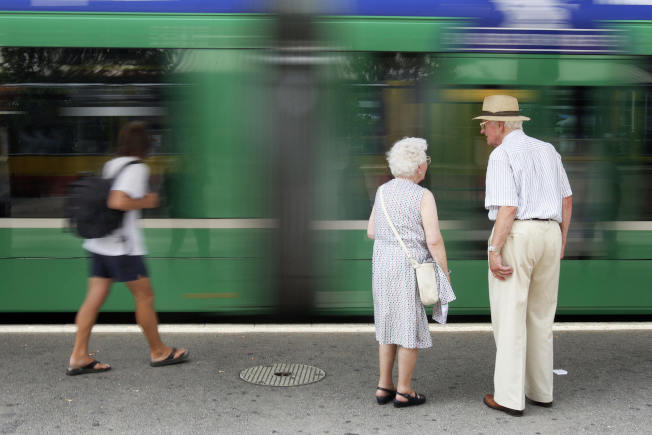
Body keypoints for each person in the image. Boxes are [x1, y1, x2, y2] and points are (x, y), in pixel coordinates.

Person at [475, 95, 572, 416]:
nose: (483, 131)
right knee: (542, 318)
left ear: (500, 126)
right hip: (550, 234)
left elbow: (508, 207)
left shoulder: (502, 155)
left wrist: (494, 249)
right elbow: (566, 200)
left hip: (519, 235)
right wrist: (561, 240)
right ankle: (541, 392)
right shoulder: (548, 150)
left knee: (510, 318)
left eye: (486, 124)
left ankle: (509, 397)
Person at [67, 121, 188, 375]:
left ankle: (79, 355)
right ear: (145, 145)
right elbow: (118, 200)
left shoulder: (113, 163)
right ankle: (159, 351)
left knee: (93, 300)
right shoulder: (137, 168)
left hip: (99, 243)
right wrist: (148, 200)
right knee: (145, 297)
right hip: (122, 247)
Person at [366, 137, 454, 408]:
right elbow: (434, 240)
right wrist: (444, 272)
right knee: (409, 328)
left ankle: (384, 386)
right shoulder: (423, 196)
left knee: (387, 325)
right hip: (408, 268)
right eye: (425, 160)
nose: (426, 165)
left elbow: (371, 231)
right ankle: (404, 390)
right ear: (418, 167)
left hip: (382, 266)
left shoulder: (382, 192)